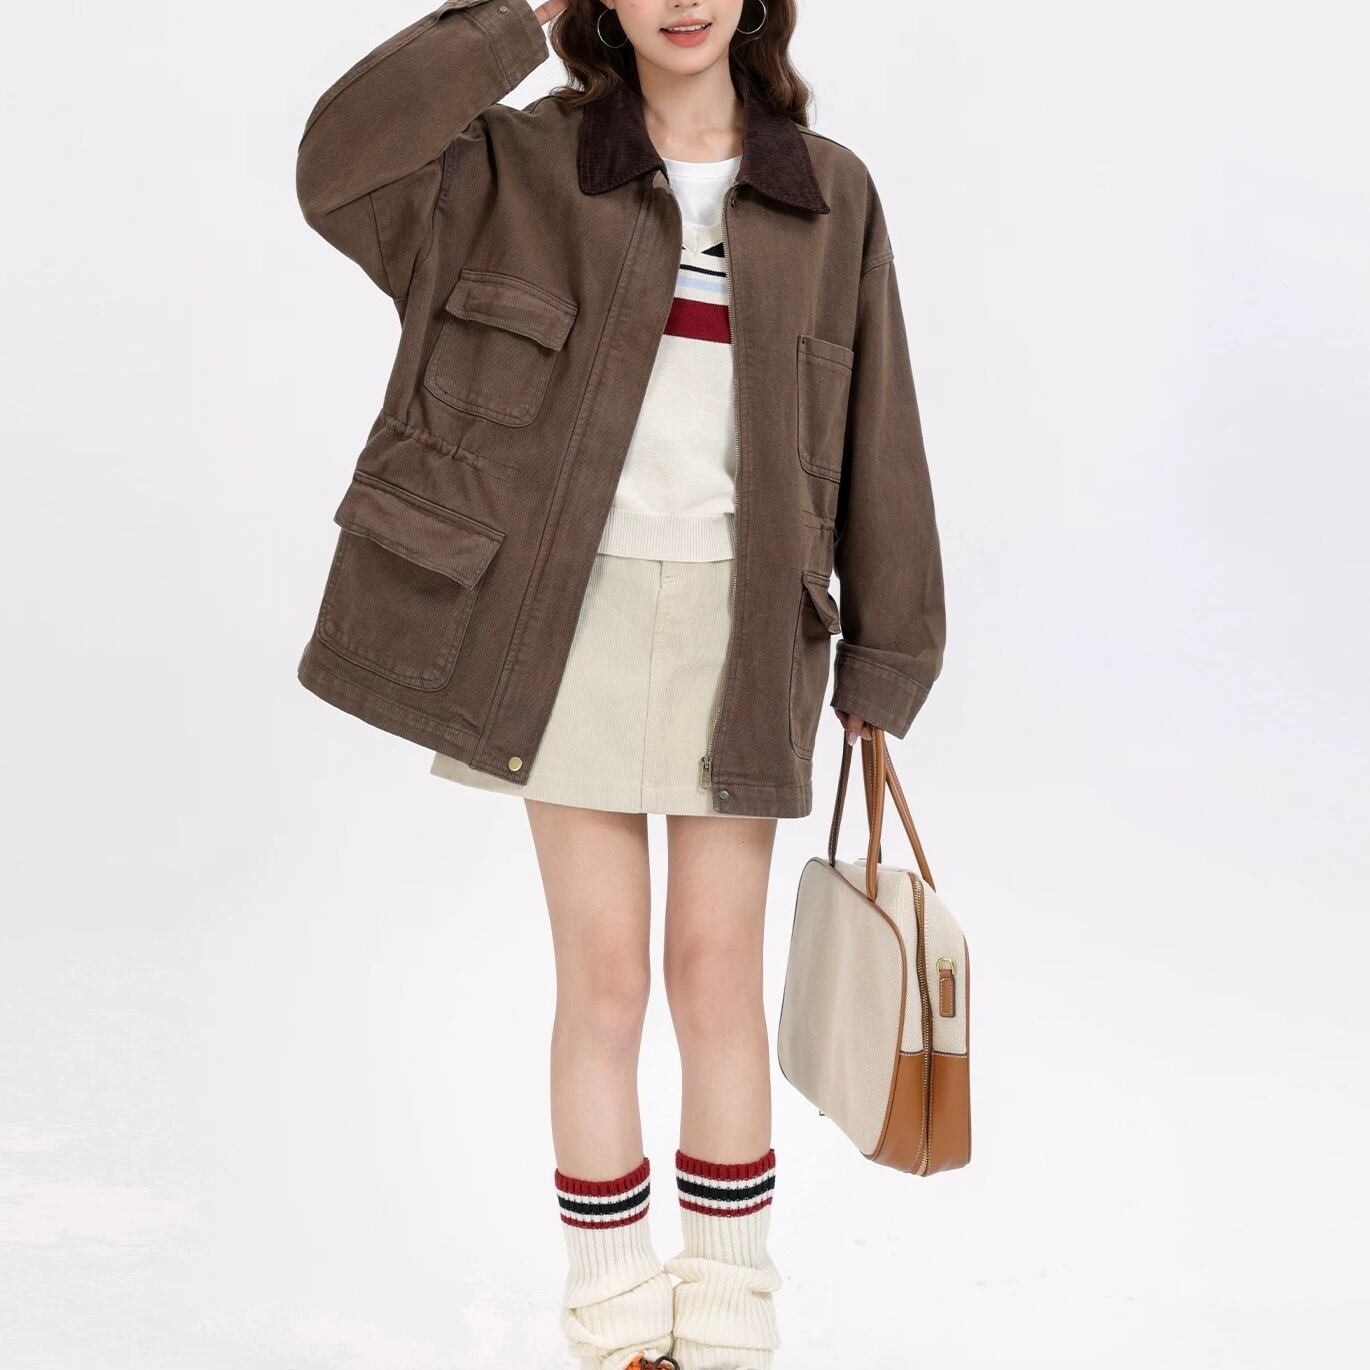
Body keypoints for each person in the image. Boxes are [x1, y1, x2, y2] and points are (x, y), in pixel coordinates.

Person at [293, 2, 945, 1366]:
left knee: (715, 978)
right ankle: (613, 1321)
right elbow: (340, 165)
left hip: (744, 631)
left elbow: (878, 428)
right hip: (560, 625)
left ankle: (728, 1314)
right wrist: (511, 19)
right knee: (600, 982)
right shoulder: (514, 168)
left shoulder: (831, 194)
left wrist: (887, 656)